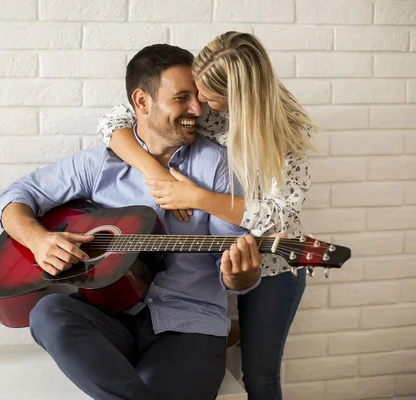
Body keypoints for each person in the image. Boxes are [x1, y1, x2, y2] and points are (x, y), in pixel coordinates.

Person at [0, 44, 265, 400]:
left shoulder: (217, 167)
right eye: (182, 98)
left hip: (189, 325)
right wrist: (38, 240)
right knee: (48, 312)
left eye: (198, 97)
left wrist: (240, 275)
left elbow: (228, 264)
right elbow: (15, 196)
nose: (196, 110)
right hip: (108, 320)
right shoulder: (99, 164)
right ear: (142, 101)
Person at [96, 31, 317, 399]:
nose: (198, 106)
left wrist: (197, 197)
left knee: (259, 376)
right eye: (195, 93)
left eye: (208, 97)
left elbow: (278, 216)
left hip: (274, 263)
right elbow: (115, 121)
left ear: (240, 99)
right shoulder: (211, 112)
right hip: (216, 257)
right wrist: (158, 174)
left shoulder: (289, 133)